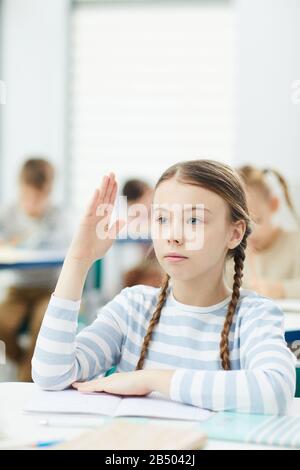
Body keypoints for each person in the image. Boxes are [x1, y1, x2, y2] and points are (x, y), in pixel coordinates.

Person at [32, 161, 296, 414]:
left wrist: (151, 380)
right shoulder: (132, 307)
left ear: (235, 233)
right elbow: (50, 374)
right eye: (161, 219)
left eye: (194, 221)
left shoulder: (254, 315)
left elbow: (275, 392)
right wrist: (79, 259)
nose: (173, 235)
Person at [0, 158, 69, 381]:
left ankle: (24, 381)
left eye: (38, 197)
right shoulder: (8, 213)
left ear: (48, 193)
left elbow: (63, 247)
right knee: (3, 323)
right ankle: (24, 364)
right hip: (18, 290)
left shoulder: (57, 216)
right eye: (27, 196)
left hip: (49, 289)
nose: (32, 203)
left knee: (44, 325)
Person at [225, 165, 300, 299]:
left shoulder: (295, 243)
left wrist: (282, 290)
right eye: (238, 226)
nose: (249, 233)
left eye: (257, 220)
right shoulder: (232, 253)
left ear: (274, 205)